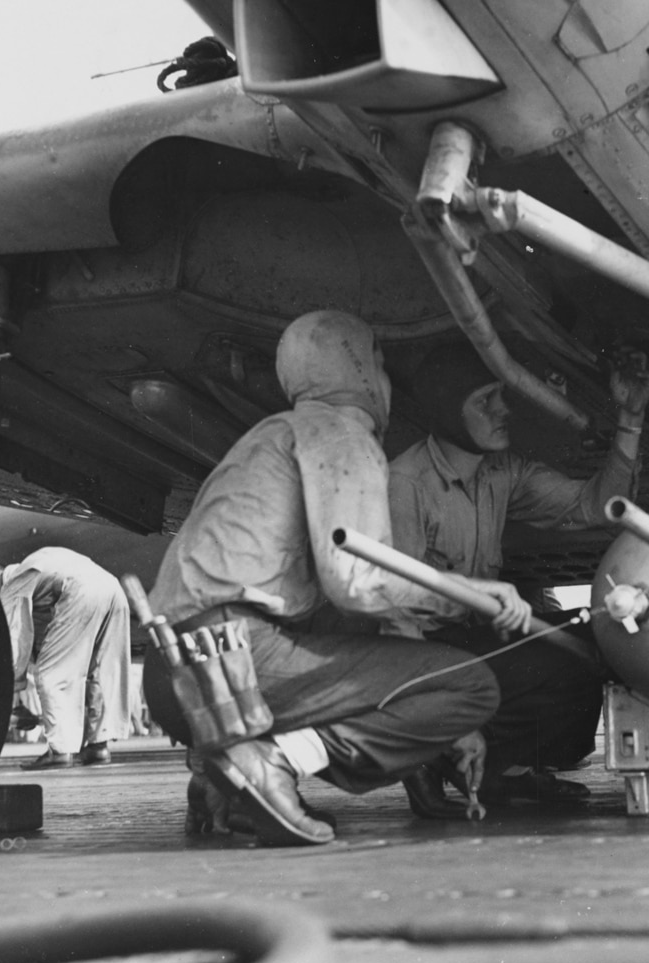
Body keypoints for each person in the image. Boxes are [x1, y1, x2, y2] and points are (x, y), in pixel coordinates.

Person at [143, 310, 529, 846]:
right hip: (237, 661)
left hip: (174, 681)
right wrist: (468, 593)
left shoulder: (265, 438)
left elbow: (343, 608)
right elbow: (357, 582)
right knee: (467, 685)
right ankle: (272, 763)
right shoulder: (342, 433)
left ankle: (221, 770)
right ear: (367, 369)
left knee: (381, 655)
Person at [387, 342, 649, 807]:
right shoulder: (404, 484)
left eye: (500, 395)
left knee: (592, 644)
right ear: (448, 411)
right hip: (416, 654)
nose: (503, 410)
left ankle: (504, 773)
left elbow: (596, 506)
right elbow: (396, 613)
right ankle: (429, 756)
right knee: (552, 664)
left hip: (468, 639)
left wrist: (630, 421)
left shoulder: (501, 470)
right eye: (484, 401)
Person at [0, 547, 133, 769]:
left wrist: (11, 693)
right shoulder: (40, 563)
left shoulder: (12, 582)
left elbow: (15, 637)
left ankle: (60, 751)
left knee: (51, 674)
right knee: (102, 670)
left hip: (81, 590)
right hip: (113, 589)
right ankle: (98, 746)